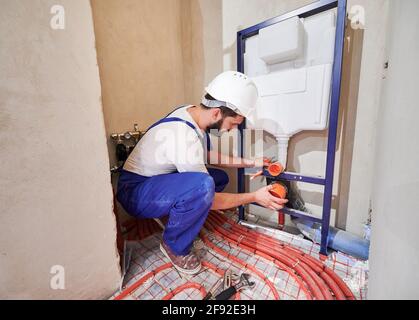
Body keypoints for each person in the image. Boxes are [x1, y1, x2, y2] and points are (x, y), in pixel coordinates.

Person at [117, 71, 288, 275]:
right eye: (233, 124)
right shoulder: (183, 137)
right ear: (217, 113)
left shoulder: (191, 113)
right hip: (135, 192)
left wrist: (251, 162)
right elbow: (211, 198)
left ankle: (177, 219)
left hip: (155, 182)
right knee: (204, 186)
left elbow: (207, 155)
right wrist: (254, 197)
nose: (232, 130)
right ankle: (174, 245)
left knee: (218, 178)